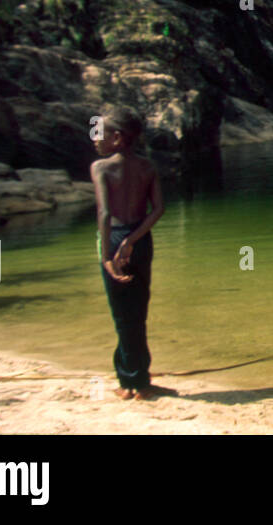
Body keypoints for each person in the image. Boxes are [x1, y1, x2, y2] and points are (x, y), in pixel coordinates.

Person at [91, 106, 166, 401]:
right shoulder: (148, 167)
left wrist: (108, 254)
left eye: (101, 133)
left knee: (121, 314)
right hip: (140, 238)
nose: (95, 139)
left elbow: (105, 212)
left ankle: (129, 381)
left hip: (115, 236)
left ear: (118, 138)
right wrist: (132, 241)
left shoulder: (101, 168)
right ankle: (139, 380)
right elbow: (158, 209)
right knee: (138, 311)